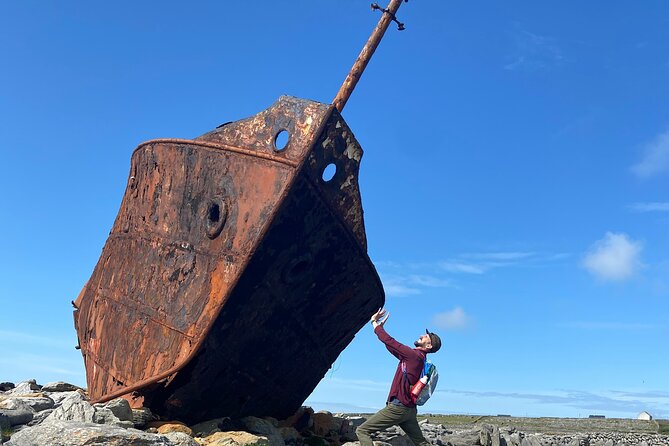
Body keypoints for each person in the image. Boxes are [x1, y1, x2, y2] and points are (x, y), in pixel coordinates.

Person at [356, 308, 442, 446]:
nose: (421, 335)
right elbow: (391, 346)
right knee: (420, 442)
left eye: (425, 336)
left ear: (429, 345)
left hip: (398, 408)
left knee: (362, 431)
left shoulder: (413, 355)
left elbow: (390, 341)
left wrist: (374, 323)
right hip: (410, 410)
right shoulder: (418, 359)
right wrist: (380, 330)